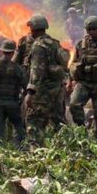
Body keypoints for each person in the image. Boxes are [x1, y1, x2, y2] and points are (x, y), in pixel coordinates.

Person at [24, 15, 67, 147]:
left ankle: (36, 151)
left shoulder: (38, 45)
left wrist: (30, 92)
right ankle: (66, 148)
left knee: (33, 120)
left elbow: (36, 70)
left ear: (34, 28)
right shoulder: (54, 43)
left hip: (42, 91)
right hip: (57, 89)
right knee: (58, 121)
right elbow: (64, 63)